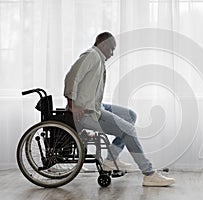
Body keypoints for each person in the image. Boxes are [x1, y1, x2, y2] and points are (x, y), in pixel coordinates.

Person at [64, 32, 175, 187]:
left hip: (96, 107)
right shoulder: (91, 56)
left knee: (130, 115)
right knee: (128, 130)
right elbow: (71, 77)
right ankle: (149, 174)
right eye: (111, 49)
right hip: (87, 113)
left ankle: (111, 159)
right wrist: (72, 105)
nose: (112, 53)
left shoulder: (98, 58)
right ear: (103, 45)